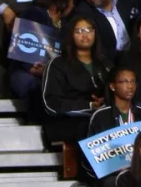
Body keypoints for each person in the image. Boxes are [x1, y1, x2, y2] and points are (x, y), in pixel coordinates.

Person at [41, 15, 113, 144]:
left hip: (102, 116)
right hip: (69, 122)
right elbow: (51, 104)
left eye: (89, 30)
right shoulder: (57, 64)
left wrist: (106, 100)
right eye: (79, 31)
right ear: (71, 35)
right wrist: (89, 105)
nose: (85, 35)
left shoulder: (105, 63)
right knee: (94, 126)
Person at [85, 66, 141, 183]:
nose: (130, 86)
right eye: (124, 82)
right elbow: (93, 157)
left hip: (140, 173)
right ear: (112, 86)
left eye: (133, 81)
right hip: (110, 177)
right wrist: (115, 168)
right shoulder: (100, 116)